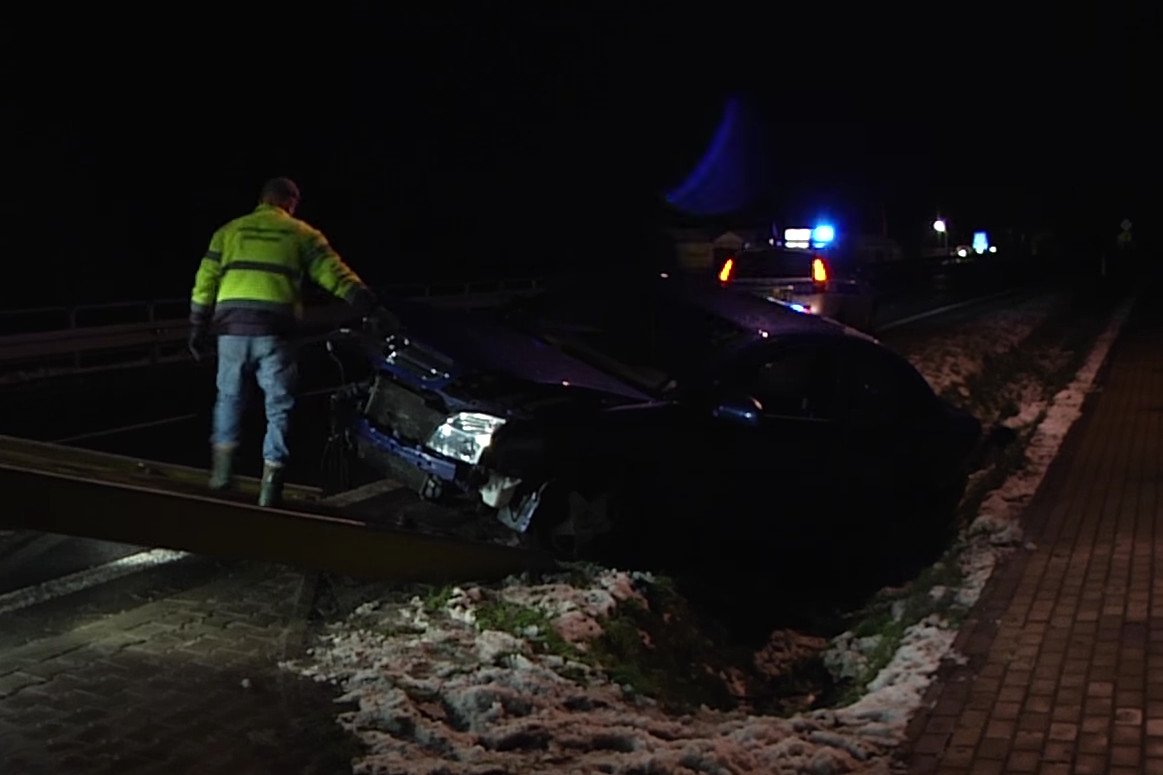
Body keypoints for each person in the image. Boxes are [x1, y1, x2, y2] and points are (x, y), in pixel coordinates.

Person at [187, 177, 396, 507]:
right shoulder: (301, 234)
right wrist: (372, 306)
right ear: (291, 202)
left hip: (233, 331)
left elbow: (204, 281)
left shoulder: (229, 232)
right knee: (279, 407)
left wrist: (197, 327)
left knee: (229, 397)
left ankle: (221, 475)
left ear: (262, 199)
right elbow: (335, 275)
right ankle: (271, 487)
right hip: (275, 333)